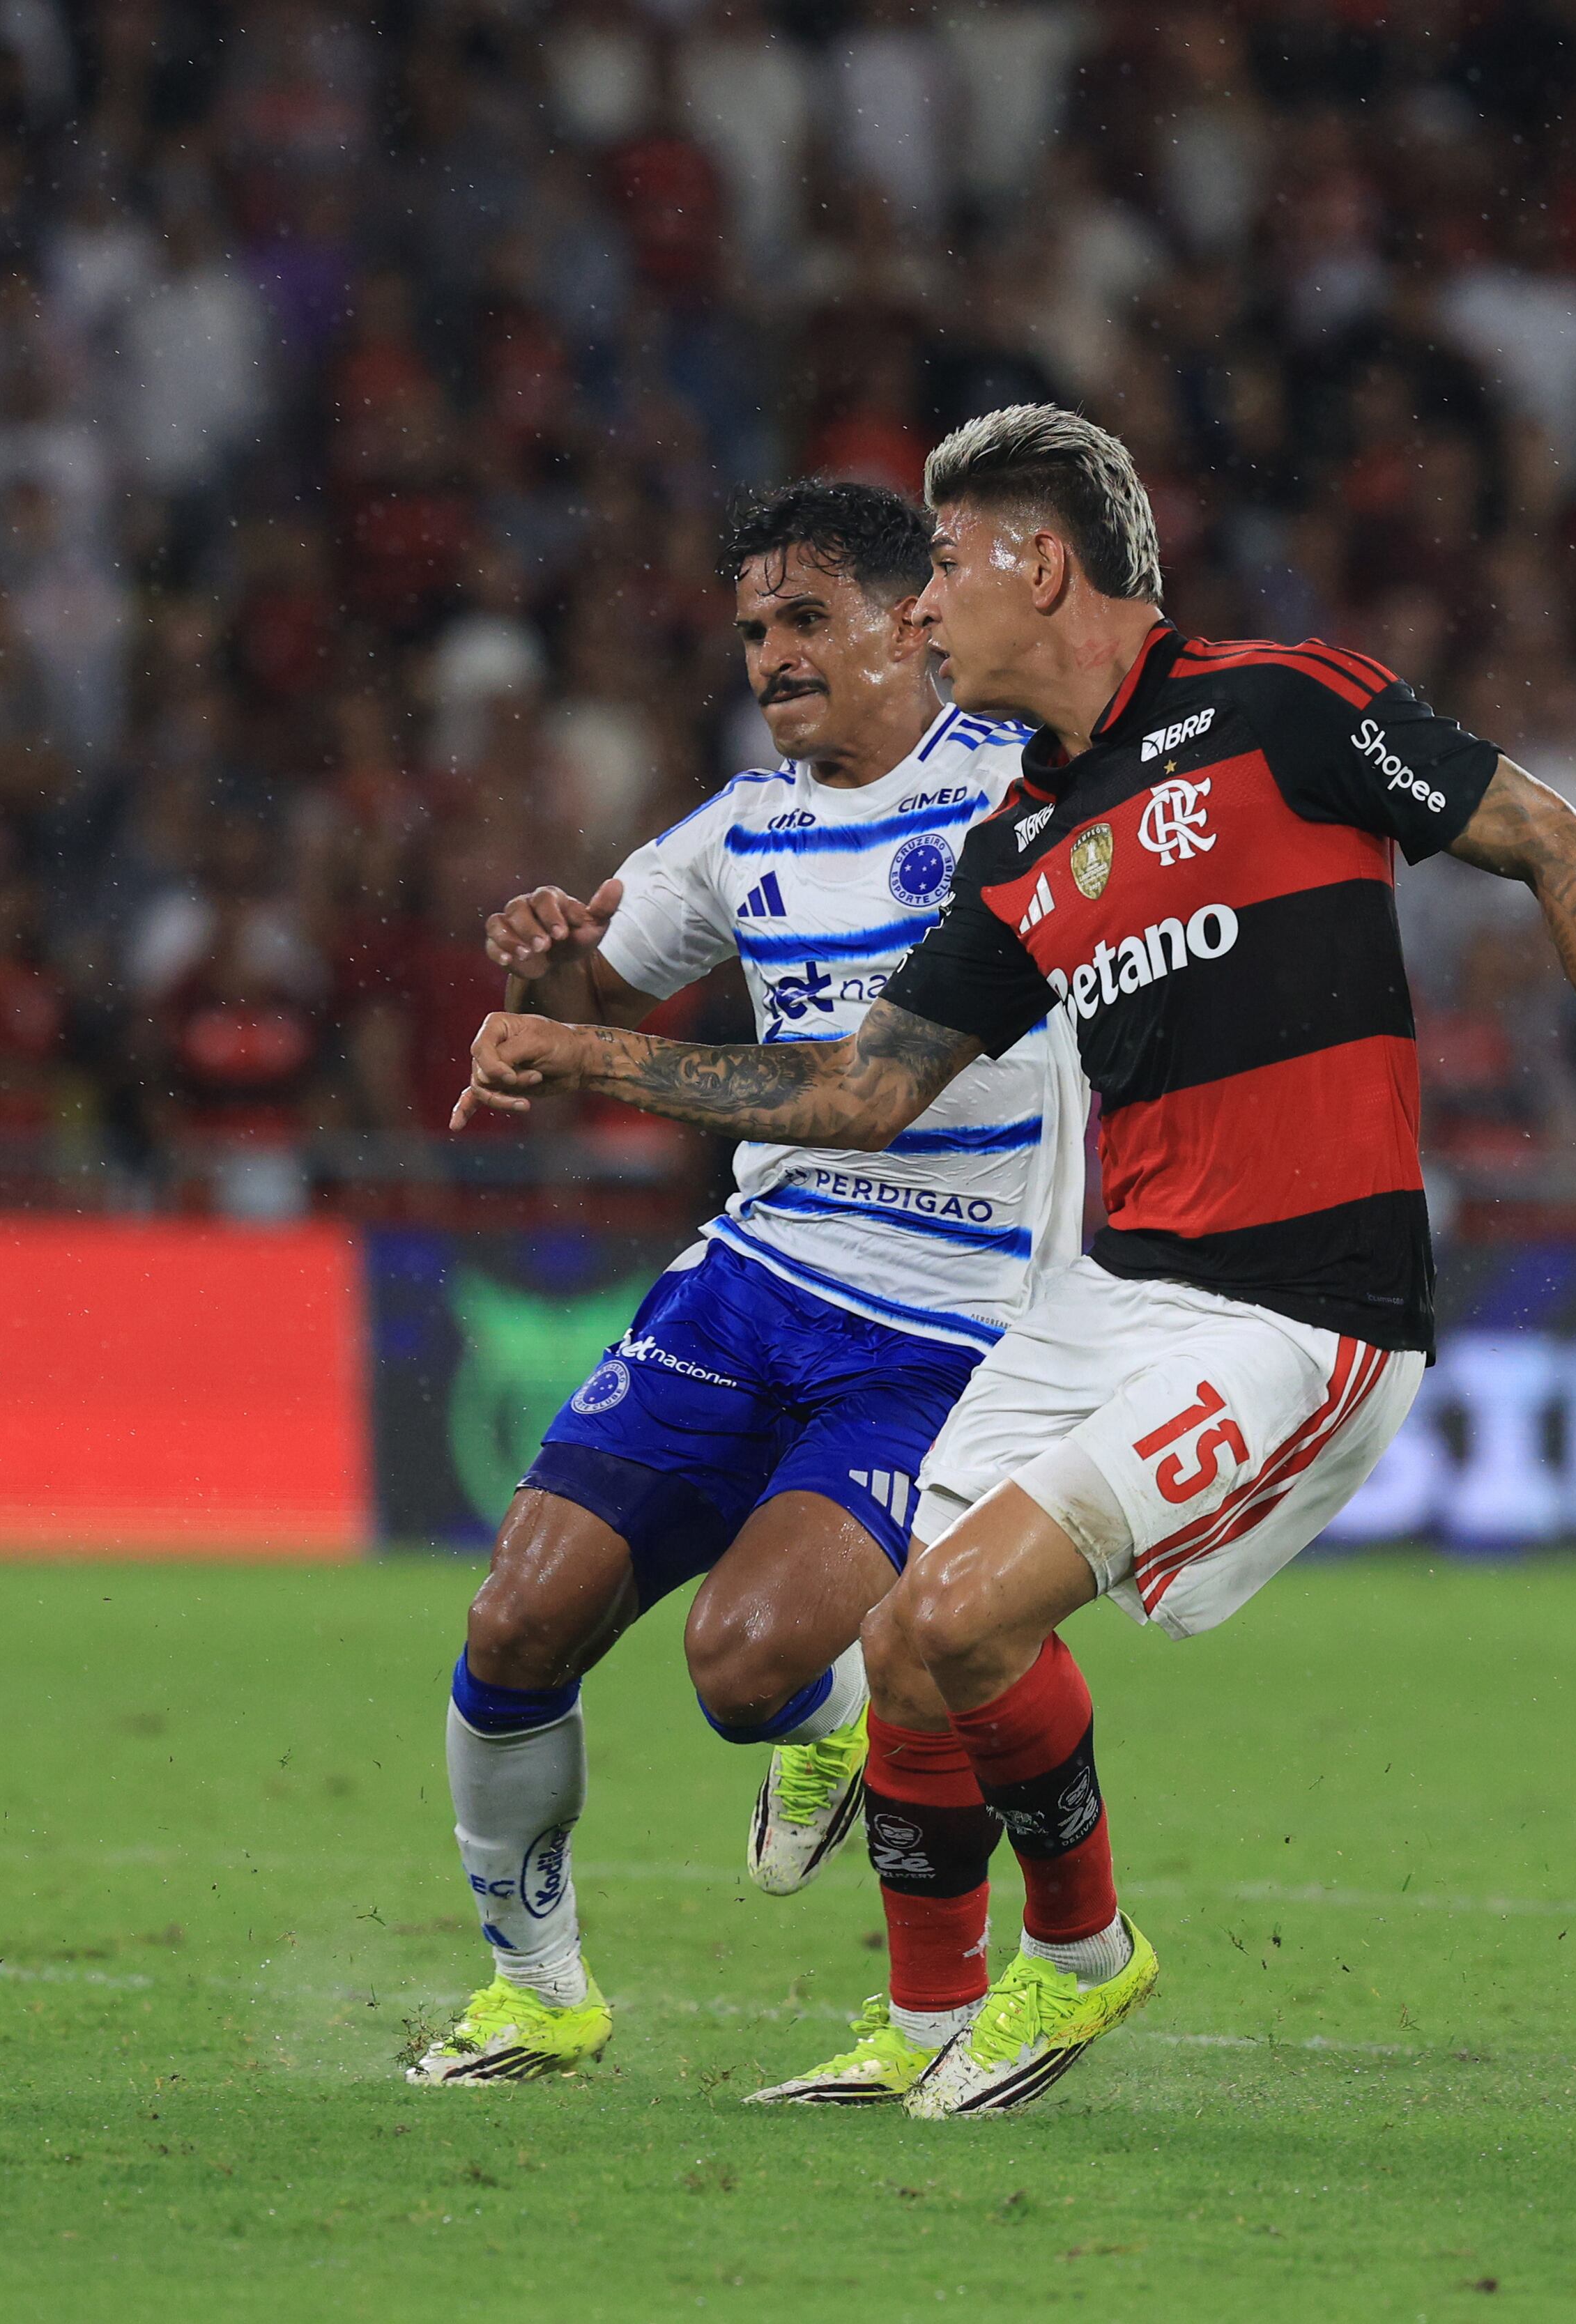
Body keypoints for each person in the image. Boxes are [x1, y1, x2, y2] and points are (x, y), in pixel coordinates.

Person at [458, 406, 1576, 2117]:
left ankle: (1076, 1961)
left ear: (1040, 565)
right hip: (1100, 1301)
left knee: (954, 1618)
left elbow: (1556, 843)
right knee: (914, 1638)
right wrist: (600, 1054)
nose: (917, 618)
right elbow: (859, 1089)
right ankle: (922, 2019)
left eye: (940, 579)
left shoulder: (1285, 706)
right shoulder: (1023, 846)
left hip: (1298, 1309)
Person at [406, 479, 1086, 2084]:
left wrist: (587, 1045)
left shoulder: (1024, 785)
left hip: (949, 1319)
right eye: (752, 634)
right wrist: (545, 962)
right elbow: (598, 990)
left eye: (804, 621)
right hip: (752, 1279)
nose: (773, 657)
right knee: (517, 1621)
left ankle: (862, 1740)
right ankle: (538, 1992)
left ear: (907, 621)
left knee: (741, 1662)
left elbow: (867, 1078)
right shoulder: (739, 827)